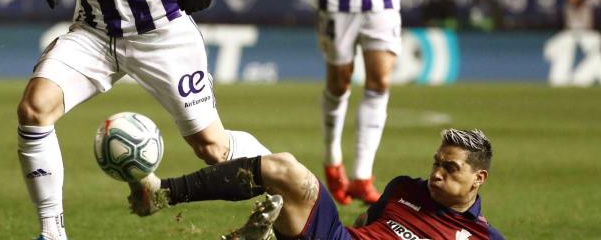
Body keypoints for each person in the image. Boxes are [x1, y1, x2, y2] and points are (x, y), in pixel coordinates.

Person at [20, 0, 270, 239]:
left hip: (159, 32)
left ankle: (288, 188)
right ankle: (52, 233)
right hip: (94, 32)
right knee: (34, 110)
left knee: (212, 147)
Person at [274, 0, 419, 204]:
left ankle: (362, 176)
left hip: (382, 0)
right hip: (337, 0)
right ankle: (332, 159)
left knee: (380, 81)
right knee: (339, 83)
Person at [129, 128, 504, 240]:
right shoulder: (405, 187)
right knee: (287, 169)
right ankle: (162, 193)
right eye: (436, 163)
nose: (437, 173)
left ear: (478, 179)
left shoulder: (485, 238)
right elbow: (362, 225)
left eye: (451, 169)